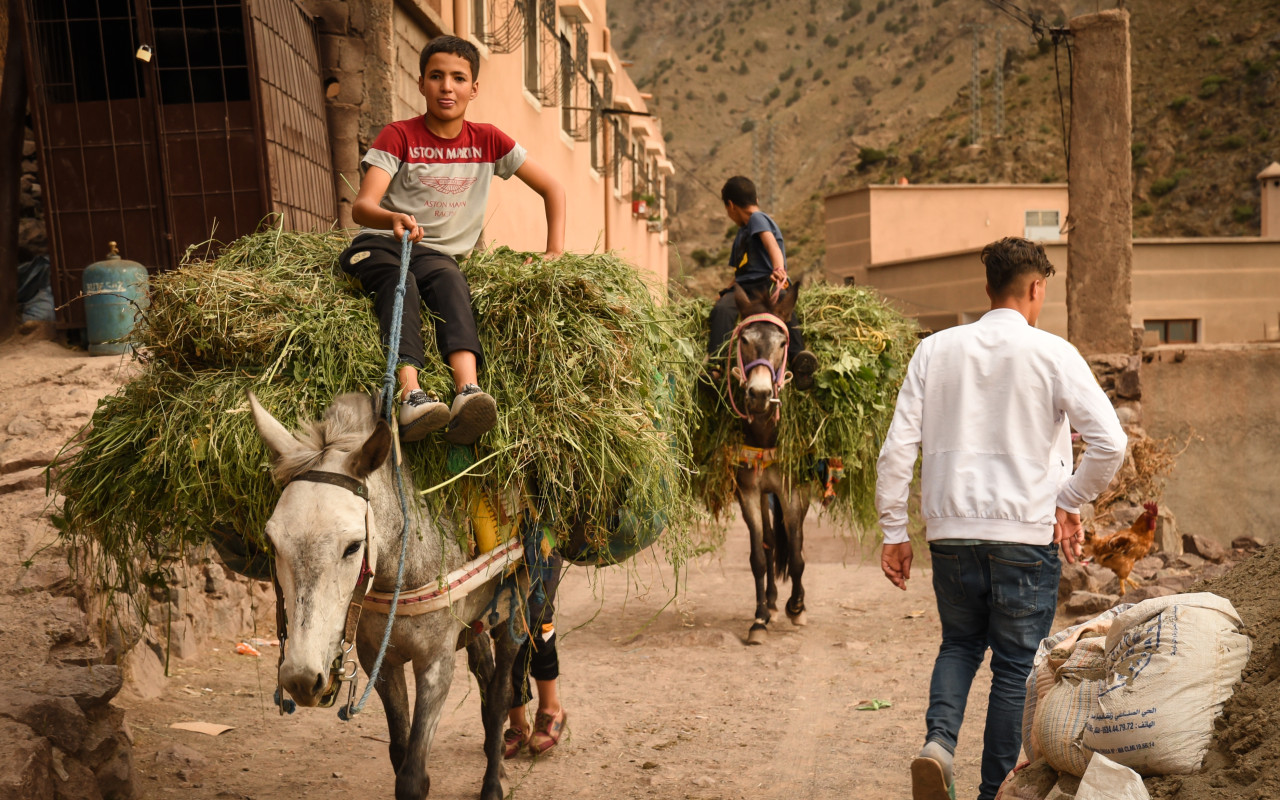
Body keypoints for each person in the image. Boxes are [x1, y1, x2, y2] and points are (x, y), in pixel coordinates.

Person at [874, 237, 1127, 800]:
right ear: (1037, 288)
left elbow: (896, 450)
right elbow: (1111, 443)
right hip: (1025, 535)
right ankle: (991, 793)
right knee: (1014, 666)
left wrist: (895, 530)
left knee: (959, 646)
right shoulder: (1054, 353)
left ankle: (937, 745)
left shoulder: (934, 351)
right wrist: (1068, 500)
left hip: (950, 533)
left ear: (986, 287)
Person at [341, 36, 565, 445]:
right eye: (437, 77)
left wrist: (554, 253)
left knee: (451, 281)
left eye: (459, 78)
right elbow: (362, 207)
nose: (448, 87)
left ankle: (468, 392)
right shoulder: (399, 136)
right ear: (422, 84)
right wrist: (392, 216)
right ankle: (410, 396)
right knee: (400, 281)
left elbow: (553, 188)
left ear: (473, 88)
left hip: (437, 255)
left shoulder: (488, 140)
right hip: (381, 244)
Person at [706, 176, 817, 389]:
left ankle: (797, 357)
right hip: (745, 287)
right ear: (755, 197)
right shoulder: (741, 234)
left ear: (730, 205)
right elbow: (740, 272)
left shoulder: (757, 219)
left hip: (766, 282)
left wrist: (778, 269)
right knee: (722, 308)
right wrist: (725, 292)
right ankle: (715, 366)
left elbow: (772, 245)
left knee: (785, 304)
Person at [504, 553, 567, 758]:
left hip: (542, 539)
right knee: (506, 628)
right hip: (497, 539)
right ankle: (517, 722)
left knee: (538, 619)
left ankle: (551, 708)